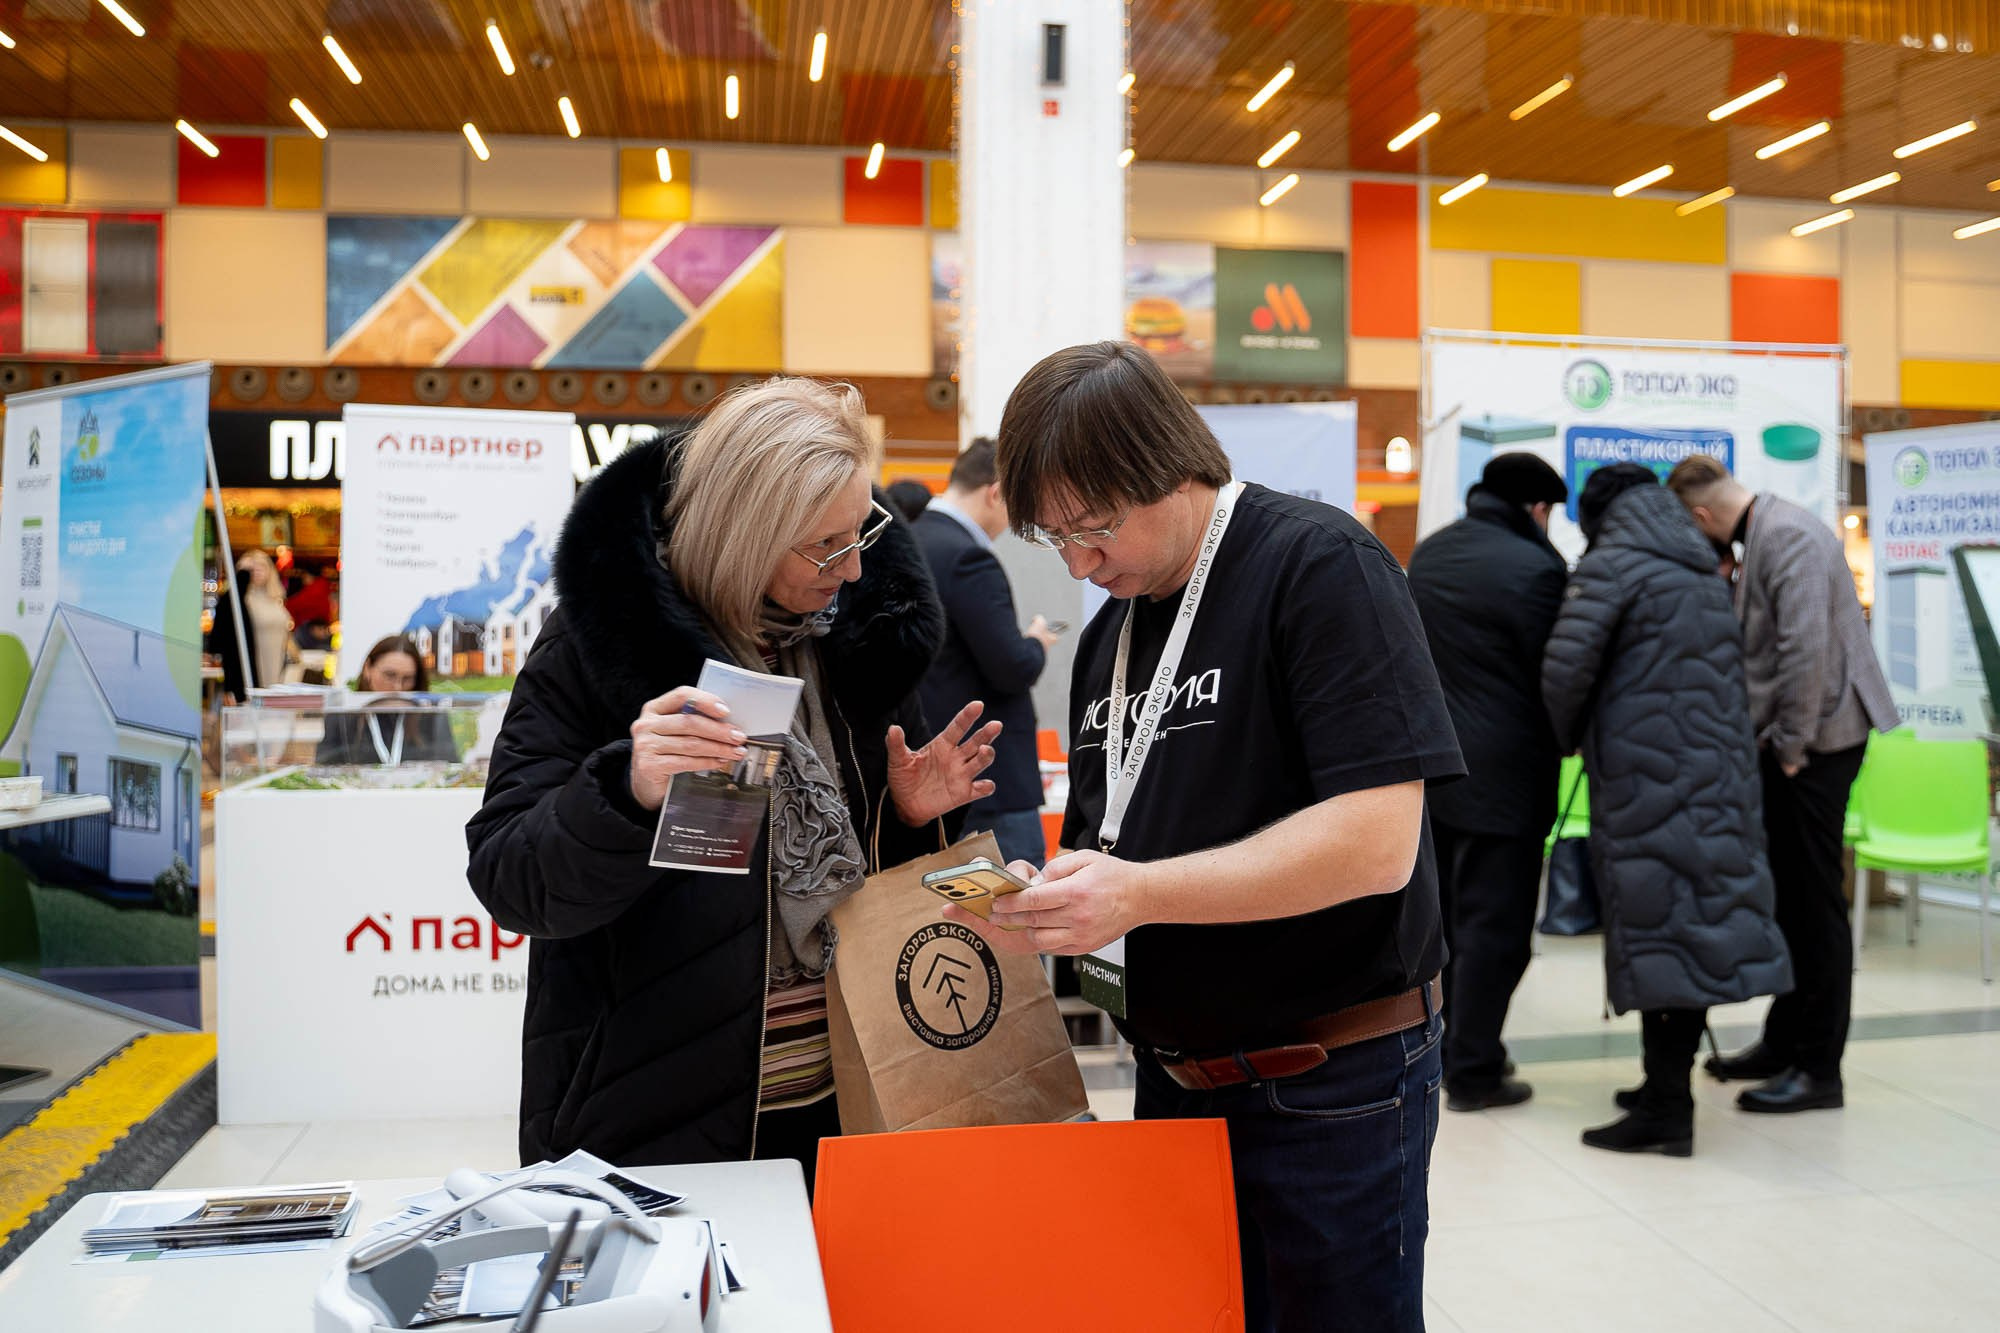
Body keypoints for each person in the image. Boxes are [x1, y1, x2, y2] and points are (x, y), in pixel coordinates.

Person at [962, 341, 1463, 1333]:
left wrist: (1140, 893)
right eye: (1055, 540)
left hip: (1326, 1083)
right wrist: (1059, 888)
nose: (1079, 563)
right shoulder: (1115, 628)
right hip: (1175, 1083)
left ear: (1169, 465)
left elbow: (1375, 840)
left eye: (1093, 528)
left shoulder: (1317, 565)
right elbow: (1130, 834)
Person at [465, 377, 1000, 1180]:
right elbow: (512, 877)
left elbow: (870, 891)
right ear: (746, 533)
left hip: (856, 1107)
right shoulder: (597, 647)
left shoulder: (856, 643)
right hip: (657, 1124)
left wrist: (909, 815)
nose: (854, 569)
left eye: (862, 532)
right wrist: (628, 791)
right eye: (825, 545)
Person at [1541, 464, 1792, 1156]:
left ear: (1597, 518)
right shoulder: (1696, 562)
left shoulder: (1613, 566)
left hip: (1648, 778)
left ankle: (1666, 1108)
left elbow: (1565, 671)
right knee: (1692, 928)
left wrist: (1562, 739)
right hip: (1719, 778)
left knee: (1660, 931)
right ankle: (1662, 1085)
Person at [1666, 455, 1897, 1113]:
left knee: (1814, 905)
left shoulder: (1787, 536)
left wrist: (1791, 748)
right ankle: (1784, 1040)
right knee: (1793, 901)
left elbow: (1806, 651)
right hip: (1808, 740)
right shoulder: (1769, 530)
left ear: (1701, 515)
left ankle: (1819, 1070)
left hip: (1818, 744)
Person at [1407, 452, 1569, 1112]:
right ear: (1535, 507)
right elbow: (1555, 675)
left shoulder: (1431, 553)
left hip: (1436, 771)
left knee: (1439, 926)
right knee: (1496, 931)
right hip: (1508, 777)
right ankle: (1473, 1069)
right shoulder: (1539, 568)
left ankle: (1439, 1049)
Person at [911, 438, 1061, 867]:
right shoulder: (968, 557)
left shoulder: (913, 540)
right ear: (995, 493)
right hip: (988, 773)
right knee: (1012, 907)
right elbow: (1011, 666)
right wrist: (1036, 641)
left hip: (934, 764)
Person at [315, 635, 459, 766]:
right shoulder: (343, 716)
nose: (398, 687)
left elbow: (449, 766)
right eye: (390, 675)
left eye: (407, 679)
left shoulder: (430, 716)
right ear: (367, 669)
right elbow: (324, 767)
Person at [236, 549, 293, 689]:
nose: (257, 572)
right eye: (253, 568)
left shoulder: (275, 599)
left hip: (278, 660)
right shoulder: (244, 601)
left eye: (261, 567)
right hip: (257, 661)